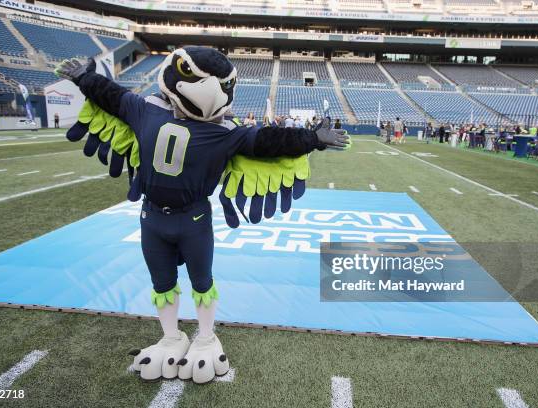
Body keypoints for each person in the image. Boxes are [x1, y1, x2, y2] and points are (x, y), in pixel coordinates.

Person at [54, 49, 348, 384]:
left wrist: (312, 138)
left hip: (193, 218)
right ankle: (171, 336)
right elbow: (111, 95)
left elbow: (269, 140)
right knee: (161, 284)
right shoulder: (146, 110)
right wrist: (84, 77)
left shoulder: (225, 132)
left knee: (202, 283)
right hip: (152, 218)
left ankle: (206, 337)